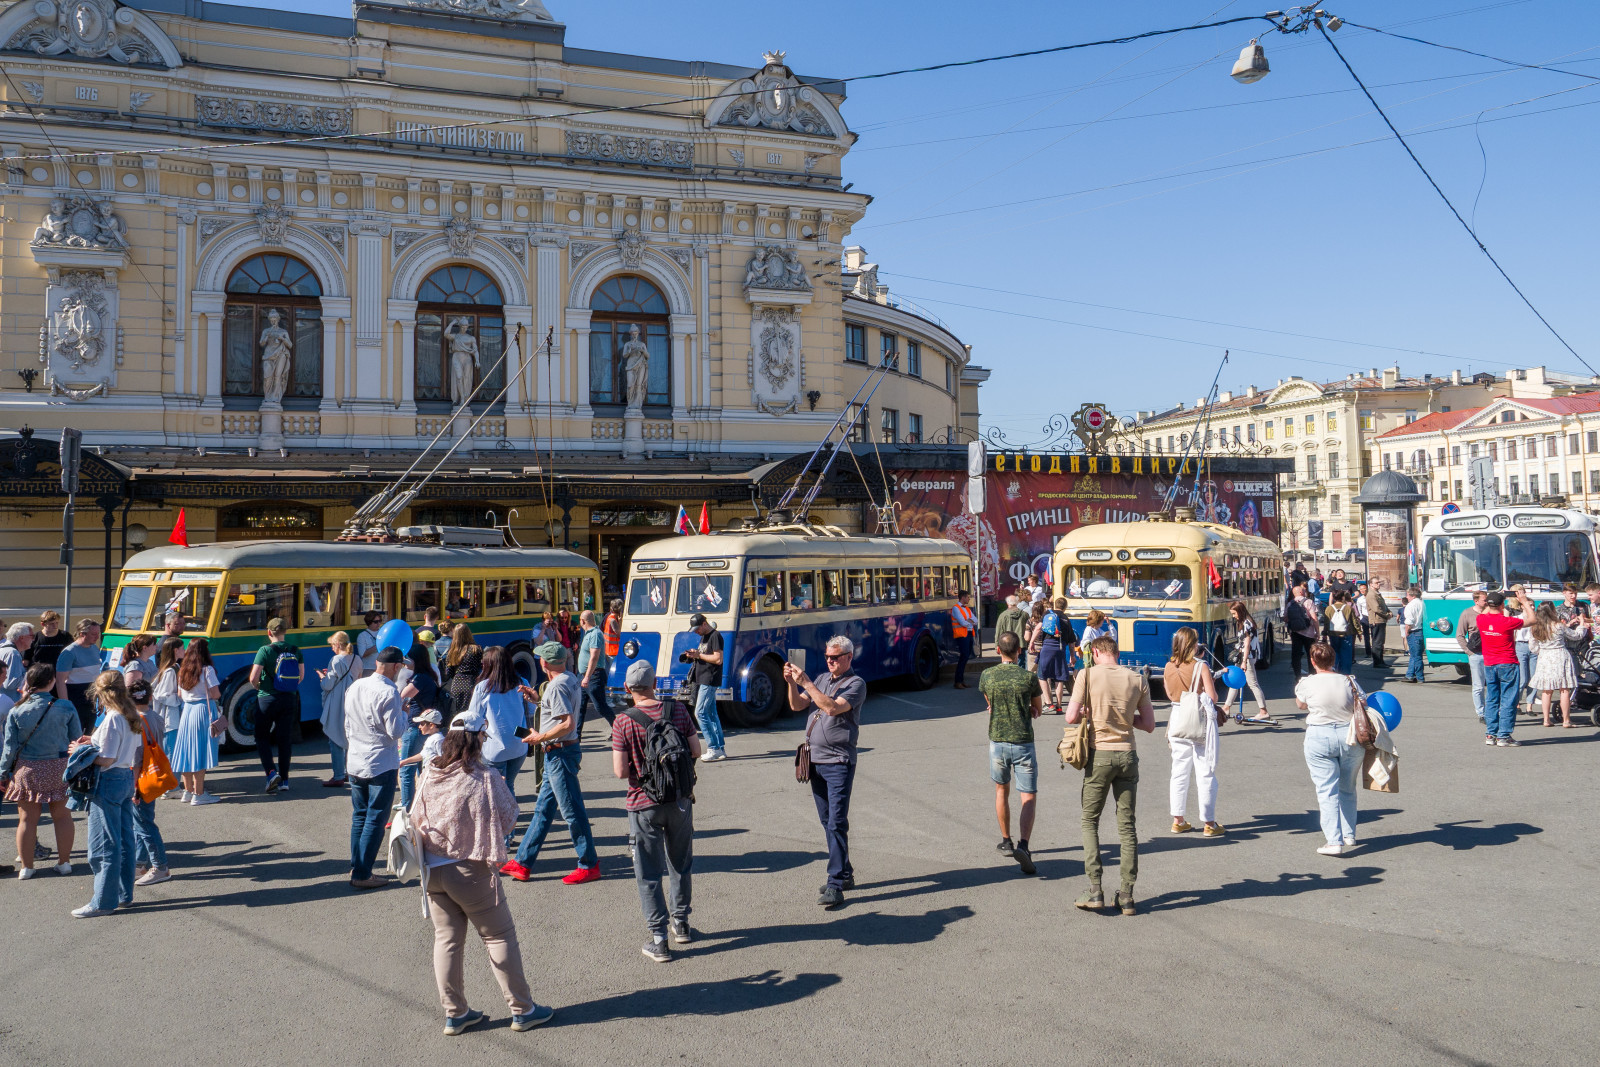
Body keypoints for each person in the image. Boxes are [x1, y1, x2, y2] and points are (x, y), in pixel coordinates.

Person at [410, 712, 552, 1035]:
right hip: (469, 867)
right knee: (498, 934)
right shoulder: (484, 776)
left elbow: (415, 813)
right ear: (477, 740)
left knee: (446, 940)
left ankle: (455, 1013)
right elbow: (509, 818)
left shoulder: (431, 770)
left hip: (432, 868)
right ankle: (522, 1009)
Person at [612, 660, 702, 962]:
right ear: (655, 684)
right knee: (681, 863)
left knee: (648, 872)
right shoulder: (676, 709)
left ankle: (659, 939)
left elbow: (620, 771)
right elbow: (696, 751)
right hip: (679, 799)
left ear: (627, 688)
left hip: (643, 803)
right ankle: (682, 923)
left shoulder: (623, 721)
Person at [1065, 635, 1155, 915]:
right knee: (1127, 825)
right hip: (1128, 754)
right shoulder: (1137, 679)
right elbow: (1149, 724)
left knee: (1090, 820)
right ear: (1115, 652)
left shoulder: (1087, 675)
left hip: (1100, 755)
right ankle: (1126, 894)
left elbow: (1070, 717)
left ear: (1095, 651)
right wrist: (1126, 719)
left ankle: (1095, 890)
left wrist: (1089, 714)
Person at [503, 642, 600, 884]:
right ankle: (523, 862)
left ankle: (588, 864)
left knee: (571, 812)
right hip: (560, 752)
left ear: (544, 663)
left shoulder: (556, 686)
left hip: (559, 753)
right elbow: (563, 714)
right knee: (543, 811)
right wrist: (538, 700)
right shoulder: (569, 678)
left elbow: (566, 723)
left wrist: (539, 737)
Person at [784, 635, 867, 909]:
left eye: (835, 657)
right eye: (827, 657)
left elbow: (832, 708)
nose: (830, 661)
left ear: (848, 658)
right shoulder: (821, 679)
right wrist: (791, 685)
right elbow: (797, 706)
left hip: (839, 761)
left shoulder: (855, 684)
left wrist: (806, 682)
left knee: (836, 822)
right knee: (827, 820)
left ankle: (835, 884)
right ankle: (845, 872)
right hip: (816, 760)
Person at [71, 671, 144, 917]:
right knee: (124, 841)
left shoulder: (113, 717)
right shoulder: (129, 713)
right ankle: (122, 895)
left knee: (103, 845)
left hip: (109, 780)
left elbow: (106, 758)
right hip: (124, 778)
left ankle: (102, 902)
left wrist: (79, 750)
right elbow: (124, 749)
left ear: (100, 693)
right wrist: (93, 740)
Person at [1, 664, 79, 878]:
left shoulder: (17, 709)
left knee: (26, 819)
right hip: (59, 766)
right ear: (52, 681)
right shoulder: (66, 707)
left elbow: (10, 747)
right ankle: (64, 863)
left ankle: (27, 867)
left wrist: (3, 772)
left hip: (28, 768)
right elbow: (76, 739)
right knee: (62, 816)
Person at [343, 645, 409, 889]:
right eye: (400, 666)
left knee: (359, 815)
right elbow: (396, 731)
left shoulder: (356, 685)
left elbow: (348, 723)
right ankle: (362, 873)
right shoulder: (389, 692)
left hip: (356, 758)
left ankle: (357, 865)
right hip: (380, 762)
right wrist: (403, 713)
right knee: (375, 818)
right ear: (395, 667)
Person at [978, 630, 1041, 875]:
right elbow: (1037, 709)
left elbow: (989, 701)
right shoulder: (1028, 678)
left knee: (1001, 790)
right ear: (1019, 651)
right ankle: (1024, 844)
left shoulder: (987, 676)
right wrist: (1028, 709)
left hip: (998, 741)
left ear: (997, 650)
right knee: (1028, 796)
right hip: (1023, 741)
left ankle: (1006, 839)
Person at [1295, 642, 1365, 855]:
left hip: (1319, 736)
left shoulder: (1307, 683)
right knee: (1348, 787)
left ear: (1313, 662)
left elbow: (1300, 705)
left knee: (1326, 790)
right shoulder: (1349, 681)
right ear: (1334, 661)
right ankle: (1349, 834)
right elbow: (1364, 703)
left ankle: (1333, 841)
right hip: (1349, 736)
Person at [1162, 628, 1226, 839]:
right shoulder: (1201, 666)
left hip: (1177, 718)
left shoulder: (1168, 666)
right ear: (1193, 644)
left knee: (1179, 771)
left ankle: (1178, 820)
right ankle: (1209, 822)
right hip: (1197, 720)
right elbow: (1213, 697)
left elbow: (1170, 693)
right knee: (1205, 770)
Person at [124, 677, 170, 886]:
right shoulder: (156, 718)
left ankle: (160, 866)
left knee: (144, 824)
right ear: (150, 697)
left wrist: (133, 788)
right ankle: (140, 862)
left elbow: (136, 759)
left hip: (139, 778)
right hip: (154, 775)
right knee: (141, 820)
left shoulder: (134, 722)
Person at [249, 618, 303, 793]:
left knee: (262, 737)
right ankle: (285, 781)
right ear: (285, 632)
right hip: (289, 699)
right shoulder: (295, 650)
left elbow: (253, 677)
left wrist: (259, 687)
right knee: (284, 740)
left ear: (269, 632)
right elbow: (300, 677)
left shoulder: (264, 651)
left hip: (267, 698)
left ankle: (271, 773)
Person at [469, 645, 532, 792]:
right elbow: (531, 711)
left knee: (494, 790)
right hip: (519, 745)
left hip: (493, 747)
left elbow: (474, 716)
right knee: (509, 785)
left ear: (489, 665)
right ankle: (511, 814)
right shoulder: (522, 683)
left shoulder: (483, 687)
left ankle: (503, 815)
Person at [171, 640, 223, 804]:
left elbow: (180, 694)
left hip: (187, 711)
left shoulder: (182, 671)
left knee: (186, 751)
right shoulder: (207, 670)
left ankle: (188, 791)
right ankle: (199, 794)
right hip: (202, 711)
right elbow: (215, 694)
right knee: (200, 753)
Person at [1476, 592, 1526, 747]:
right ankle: (1503, 736)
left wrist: (1492, 601)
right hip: (1507, 663)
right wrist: (1523, 600)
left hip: (1490, 664)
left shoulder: (1481, 619)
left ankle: (1491, 734)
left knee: (1491, 699)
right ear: (1502, 605)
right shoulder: (1507, 621)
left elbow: (1487, 611)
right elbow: (1533, 619)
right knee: (1508, 700)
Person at [399, 639, 443, 808]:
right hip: (422, 725)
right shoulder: (428, 675)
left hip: (415, 727)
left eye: (407, 658)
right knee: (420, 768)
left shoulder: (419, 679)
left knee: (406, 769)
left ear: (415, 660)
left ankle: (407, 808)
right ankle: (420, 805)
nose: (404, 662)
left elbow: (401, 696)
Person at [319, 631, 362, 788]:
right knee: (349, 737)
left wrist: (322, 678)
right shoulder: (356, 658)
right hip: (352, 700)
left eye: (332, 645)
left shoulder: (336, 659)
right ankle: (350, 772)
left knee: (335, 738)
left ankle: (338, 775)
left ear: (337, 645)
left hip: (338, 702)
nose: (331, 648)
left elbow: (328, 685)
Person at [1529, 603, 1581, 729]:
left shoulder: (1535, 627)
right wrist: (1582, 626)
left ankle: (1546, 719)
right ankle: (1566, 720)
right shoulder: (1558, 625)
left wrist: (1542, 651)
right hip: (1560, 656)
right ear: (1551, 611)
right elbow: (1576, 636)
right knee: (1564, 689)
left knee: (1546, 691)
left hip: (1545, 657)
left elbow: (1532, 647)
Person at [682, 612, 726, 761]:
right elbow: (708, 655)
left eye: (697, 628)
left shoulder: (715, 636)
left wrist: (698, 656)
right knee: (711, 714)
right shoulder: (705, 637)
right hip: (704, 679)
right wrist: (695, 653)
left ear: (704, 624)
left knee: (700, 713)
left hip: (710, 679)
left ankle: (713, 748)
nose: (696, 631)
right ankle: (720, 747)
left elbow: (718, 659)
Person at [1223, 601, 1271, 724]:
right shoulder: (1246, 622)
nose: (1233, 616)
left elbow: (1247, 643)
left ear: (1240, 611)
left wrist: (1244, 661)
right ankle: (1226, 707)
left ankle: (1263, 711)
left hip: (1246, 657)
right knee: (1235, 682)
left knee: (1253, 683)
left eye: (1234, 613)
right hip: (1243, 656)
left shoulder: (1246, 624)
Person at [54, 617, 104, 733]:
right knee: (75, 734)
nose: (97, 637)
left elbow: (96, 676)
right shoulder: (69, 652)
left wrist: (101, 699)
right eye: (93, 634)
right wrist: (65, 705)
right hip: (75, 697)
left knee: (88, 733)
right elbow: (60, 681)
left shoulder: (95, 649)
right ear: (82, 634)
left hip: (91, 698)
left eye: (98, 634)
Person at [576, 609, 616, 736]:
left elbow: (594, 656)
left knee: (601, 707)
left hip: (593, 676)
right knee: (580, 708)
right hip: (584, 676)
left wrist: (587, 677)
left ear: (583, 621)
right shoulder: (588, 633)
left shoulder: (595, 634)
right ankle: (576, 737)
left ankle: (619, 730)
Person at [1035, 597, 1076, 714]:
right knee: (1059, 678)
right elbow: (1072, 641)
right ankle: (1058, 706)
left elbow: (1038, 628)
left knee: (1042, 675)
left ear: (1054, 605)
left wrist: (1032, 642)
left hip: (1047, 647)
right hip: (1060, 649)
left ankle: (1048, 703)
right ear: (1065, 607)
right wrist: (1072, 656)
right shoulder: (1066, 619)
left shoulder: (1048, 613)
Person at [150, 637, 185, 761]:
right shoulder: (170, 671)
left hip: (171, 718)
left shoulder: (172, 667)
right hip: (170, 719)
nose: (184, 650)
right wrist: (180, 698)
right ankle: (170, 780)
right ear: (176, 650)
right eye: (182, 648)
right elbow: (161, 695)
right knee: (171, 754)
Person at [1457, 591, 1487, 723]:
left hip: (1491, 653)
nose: (1487, 602)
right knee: (1478, 686)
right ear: (1476, 601)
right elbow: (1460, 635)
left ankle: (1492, 711)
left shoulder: (1491, 612)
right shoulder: (1467, 613)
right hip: (1476, 654)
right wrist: (1469, 652)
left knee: (1492, 684)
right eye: (1484, 600)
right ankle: (1481, 713)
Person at [443, 624, 481, 717]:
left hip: (456, 684)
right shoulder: (476, 649)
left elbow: (448, 673)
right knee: (471, 713)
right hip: (471, 683)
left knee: (457, 713)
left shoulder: (452, 651)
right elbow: (481, 667)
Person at [400, 708, 447, 783]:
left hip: (434, 778)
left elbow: (444, 759)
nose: (419, 727)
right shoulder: (431, 738)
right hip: (427, 776)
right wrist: (405, 761)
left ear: (431, 725)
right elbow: (423, 754)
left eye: (422, 724)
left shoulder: (439, 739)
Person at [1285, 583, 1320, 678]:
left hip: (1295, 632)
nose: (1305, 592)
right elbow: (1314, 618)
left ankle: (1297, 675)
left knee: (1296, 654)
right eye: (1304, 590)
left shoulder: (1290, 603)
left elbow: (1286, 618)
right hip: (1308, 633)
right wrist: (1317, 632)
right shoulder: (1308, 602)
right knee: (1311, 655)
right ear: (1301, 592)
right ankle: (1312, 674)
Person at [1325, 590, 1359, 675]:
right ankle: (1345, 674)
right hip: (1346, 633)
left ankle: (1334, 670)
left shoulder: (1329, 608)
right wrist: (1359, 631)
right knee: (1346, 654)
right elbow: (1354, 621)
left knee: (1335, 652)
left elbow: (1326, 623)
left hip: (1333, 633)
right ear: (1343, 597)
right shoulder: (1348, 608)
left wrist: (1325, 634)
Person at [949, 589, 977, 689]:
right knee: (963, 656)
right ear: (963, 598)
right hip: (962, 635)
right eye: (968, 597)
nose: (969, 598)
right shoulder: (956, 608)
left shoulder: (967, 609)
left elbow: (976, 620)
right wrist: (969, 621)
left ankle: (961, 680)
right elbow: (962, 622)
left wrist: (968, 621)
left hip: (968, 634)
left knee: (965, 657)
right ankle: (958, 681)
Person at [1, 622, 35, 702]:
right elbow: (10, 683)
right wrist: (31, 674)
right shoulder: (13, 653)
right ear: (22, 638)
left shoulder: (3, 649)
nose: (33, 639)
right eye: (32, 636)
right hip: (10, 703)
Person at [1365, 578, 1392, 668]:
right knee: (1377, 642)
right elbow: (1376, 608)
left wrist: (1389, 611)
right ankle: (1377, 662)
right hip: (1376, 621)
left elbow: (1383, 605)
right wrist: (1386, 615)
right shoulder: (1371, 595)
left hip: (1381, 620)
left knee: (1380, 642)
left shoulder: (1377, 594)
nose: (1378, 584)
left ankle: (1381, 661)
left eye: (1379, 583)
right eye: (1376, 583)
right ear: (1371, 584)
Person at [1401, 587, 1426, 683]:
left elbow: (1409, 622)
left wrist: (1406, 632)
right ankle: (1409, 674)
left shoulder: (1410, 606)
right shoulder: (1422, 603)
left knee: (1416, 656)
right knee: (1415, 655)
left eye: (1408, 595)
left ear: (1413, 596)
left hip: (1413, 631)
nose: (1406, 597)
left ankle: (1420, 677)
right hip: (1420, 630)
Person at [1023, 601, 1047, 674]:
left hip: (1033, 649)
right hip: (1045, 648)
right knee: (1045, 673)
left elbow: (1027, 637)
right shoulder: (1046, 621)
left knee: (1031, 672)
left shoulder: (1030, 621)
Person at [1354, 580, 1372, 658]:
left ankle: (1375, 652)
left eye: (1364, 588)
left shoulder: (1371, 597)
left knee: (1374, 636)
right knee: (1366, 636)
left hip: (1372, 617)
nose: (1362, 590)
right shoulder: (1360, 599)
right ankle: (1368, 652)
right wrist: (1361, 619)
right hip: (1364, 617)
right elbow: (1359, 610)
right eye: (1360, 589)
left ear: (1367, 589)